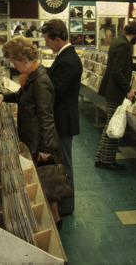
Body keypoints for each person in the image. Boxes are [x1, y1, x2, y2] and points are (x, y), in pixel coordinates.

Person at [0, 36, 63, 223]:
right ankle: (53, 219)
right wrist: (5, 96)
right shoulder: (32, 76)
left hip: (39, 143)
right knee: (44, 186)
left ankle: (55, 222)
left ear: (24, 58)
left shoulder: (40, 81)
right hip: (33, 140)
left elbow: (46, 117)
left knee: (45, 186)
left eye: (14, 62)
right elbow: (24, 96)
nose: (14, 66)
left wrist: (45, 149)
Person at [95, 20, 136, 170]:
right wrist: (128, 89)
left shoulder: (118, 41)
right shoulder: (123, 45)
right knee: (114, 126)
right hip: (116, 92)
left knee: (109, 125)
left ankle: (101, 158)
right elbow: (117, 72)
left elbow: (125, 66)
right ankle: (107, 162)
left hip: (111, 90)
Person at [41, 19, 83, 216]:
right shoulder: (64, 56)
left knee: (64, 164)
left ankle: (66, 206)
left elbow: (55, 89)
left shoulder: (68, 60)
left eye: (48, 41)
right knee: (61, 162)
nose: (46, 44)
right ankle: (63, 204)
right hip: (62, 118)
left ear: (57, 39)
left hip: (63, 121)